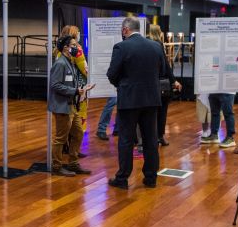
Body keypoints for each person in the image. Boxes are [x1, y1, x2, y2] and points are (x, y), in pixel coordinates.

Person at [106, 16, 166, 189]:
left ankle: (122, 178)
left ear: (125, 30)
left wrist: (123, 85)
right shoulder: (156, 46)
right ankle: (151, 178)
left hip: (129, 100)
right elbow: (161, 70)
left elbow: (111, 74)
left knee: (125, 140)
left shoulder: (121, 47)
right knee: (151, 140)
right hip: (151, 99)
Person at [48, 35, 93, 176]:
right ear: (66, 47)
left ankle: (73, 163)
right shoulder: (60, 63)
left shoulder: (71, 62)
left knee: (78, 133)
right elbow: (54, 85)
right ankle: (56, 167)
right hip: (62, 107)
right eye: (74, 45)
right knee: (61, 138)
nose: (77, 47)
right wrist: (75, 91)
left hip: (72, 106)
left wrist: (82, 88)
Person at [148, 25, 182, 146]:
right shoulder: (158, 44)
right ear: (158, 32)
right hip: (161, 83)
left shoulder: (146, 43)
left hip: (148, 82)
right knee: (162, 111)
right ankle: (159, 136)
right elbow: (166, 65)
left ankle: (151, 137)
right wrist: (174, 81)